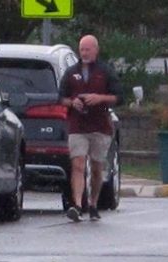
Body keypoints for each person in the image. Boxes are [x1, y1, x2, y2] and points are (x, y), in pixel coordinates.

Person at [59, 34, 123, 222]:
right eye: (82, 50)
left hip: (100, 126)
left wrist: (100, 98)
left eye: (88, 49)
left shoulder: (106, 71)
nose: (84, 53)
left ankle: (93, 203)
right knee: (78, 164)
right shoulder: (71, 72)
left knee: (97, 168)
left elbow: (119, 97)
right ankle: (77, 205)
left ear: (96, 50)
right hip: (77, 126)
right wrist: (72, 103)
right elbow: (61, 97)